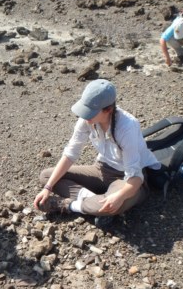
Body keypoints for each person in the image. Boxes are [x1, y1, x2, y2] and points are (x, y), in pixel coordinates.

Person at [33, 79, 160, 226]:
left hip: (126, 178)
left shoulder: (127, 127)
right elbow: (70, 153)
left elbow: (136, 178)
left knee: (116, 203)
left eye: (90, 112)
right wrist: (48, 188)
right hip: (102, 169)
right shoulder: (87, 120)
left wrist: (118, 196)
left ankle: (68, 205)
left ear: (108, 110)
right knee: (46, 176)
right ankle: (95, 204)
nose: (85, 116)